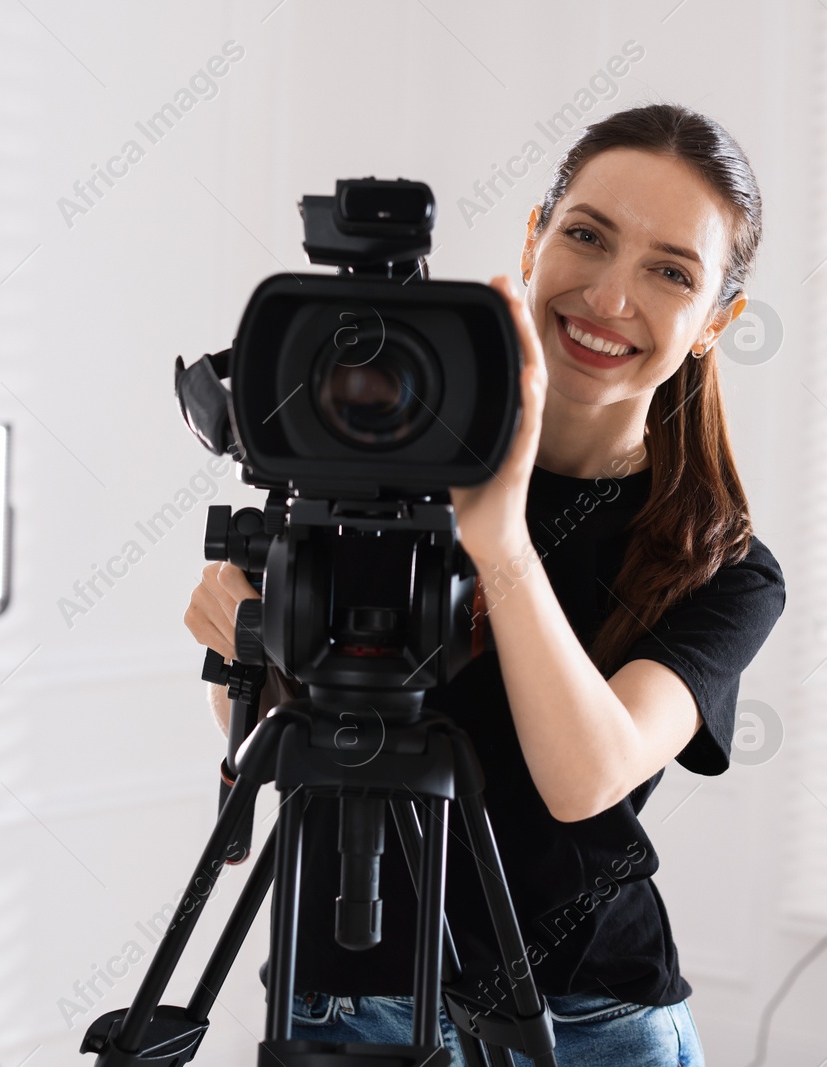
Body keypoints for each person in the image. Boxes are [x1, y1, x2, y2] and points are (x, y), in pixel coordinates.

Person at [183, 102, 786, 1067]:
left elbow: (584, 776)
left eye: (670, 271)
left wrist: (499, 537)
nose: (610, 296)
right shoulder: (379, 457)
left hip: (592, 1020)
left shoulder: (720, 560)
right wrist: (250, 635)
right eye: (587, 236)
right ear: (536, 238)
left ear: (717, 321)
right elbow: (291, 740)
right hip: (350, 992)